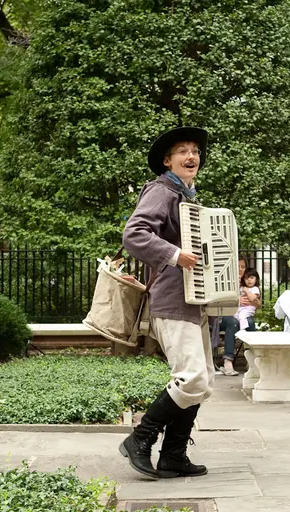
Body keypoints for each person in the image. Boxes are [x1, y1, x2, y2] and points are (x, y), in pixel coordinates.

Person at [121, 126, 212, 479]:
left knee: (203, 384)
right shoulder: (162, 190)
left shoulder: (187, 195)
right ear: (167, 160)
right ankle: (139, 439)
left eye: (195, 151)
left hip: (195, 301)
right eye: (182, 151)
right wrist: (176, 255)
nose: (191, 157)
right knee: (191, 379)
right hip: (173, 298)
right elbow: (135, 234)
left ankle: (173, 455)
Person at [219, 257, 260, 376]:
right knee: (233, 322)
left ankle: (253, 361)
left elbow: (258, 304)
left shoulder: (249, 283)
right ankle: (228, 361)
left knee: (250, 323)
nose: (240, 269)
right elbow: (219, 301)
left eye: (243, 267)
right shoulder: (225, 280)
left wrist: (253, 300)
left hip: (243, 314)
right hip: (226, 314)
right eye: (238, 267)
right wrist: (237, 300)